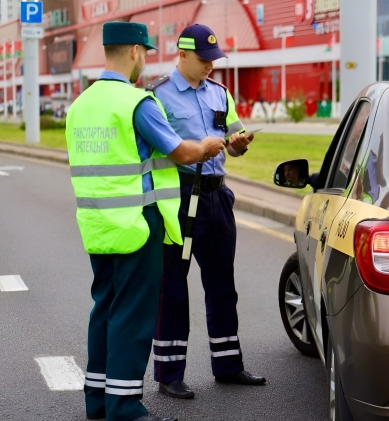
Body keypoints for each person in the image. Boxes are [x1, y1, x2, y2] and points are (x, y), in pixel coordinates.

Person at [64, 22, 225, 421]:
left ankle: (98, 401)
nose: (147, 60)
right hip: (137, 224)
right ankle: (125, 406)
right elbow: (181, 152)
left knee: (104, 310)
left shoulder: (81, 104)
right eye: (147, 53)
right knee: (133, 319)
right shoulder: (136, 102)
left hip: (97, 226)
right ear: (136, 52)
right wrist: (206, 146)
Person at [146, 23, 266, 400]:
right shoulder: (158, 96)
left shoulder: (220, 93)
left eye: (215, 59)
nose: (211, 66)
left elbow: (233, 143)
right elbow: (159, 147)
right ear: (181, 55)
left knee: (221, 285)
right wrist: (198, 147)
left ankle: (228, 365)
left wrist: (239, 144)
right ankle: (169, 373)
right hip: (178, 201)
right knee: (173, 287)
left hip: (216, 200)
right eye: (204, 59)